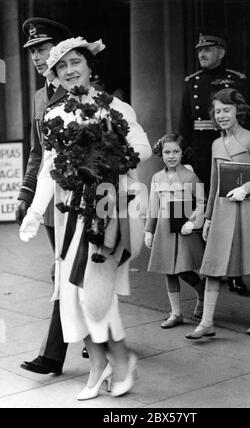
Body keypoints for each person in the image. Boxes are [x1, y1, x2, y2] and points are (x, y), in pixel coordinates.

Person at [19, 36, 152, 400]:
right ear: (56, 76)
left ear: (89, 67)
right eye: (61, 66)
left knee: (96, 296)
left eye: (75, 62)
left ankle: (121, 361)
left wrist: (105, 153)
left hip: (109, 212)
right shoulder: (54, 114)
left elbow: (142, 147)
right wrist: (33, 211)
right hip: (70, 215)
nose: (69, 70)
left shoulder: (117, 109)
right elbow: (48, 166)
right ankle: (99, 365)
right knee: (72, 295)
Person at [185, 88, 250, 340]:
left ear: (238, 111)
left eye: (226, 110)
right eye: (217, 111)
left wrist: (246, 188)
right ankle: (207, 321)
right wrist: (207, 217)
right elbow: (214, 183)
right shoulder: (216, 143)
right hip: (223, 211)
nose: (221, 115)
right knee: (213, 264)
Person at [15, 18, 79, 375]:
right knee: (68, 272)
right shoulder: (41, 96)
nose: (37, 57)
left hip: (79, 196)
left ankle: (53, 354)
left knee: (68, 271)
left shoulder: (78, 89)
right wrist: (26, 191)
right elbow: (37, 151)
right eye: (33, 52)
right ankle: (96, 338)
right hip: (49, 197)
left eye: (42, 49)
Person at [179, 31, 248, 295]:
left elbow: (245, 117)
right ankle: (212, 267)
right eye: (199, 51)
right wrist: (184, 152)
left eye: (208, 50)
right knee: (206, 209)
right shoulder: (191, 82)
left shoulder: (235, 80)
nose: (202, 55)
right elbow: (184, 120)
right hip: (200, 151)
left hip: (229, 149)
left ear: (221, 51)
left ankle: (235, 273)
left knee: (231, 209)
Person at [144, 134, 205, 327]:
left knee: (184, 269)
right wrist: (149, 230)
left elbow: (203, 203)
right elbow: (153, 206)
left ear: (182, 153)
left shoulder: (190, 176)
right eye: (167, 152)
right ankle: (176, 312)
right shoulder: (157, 177)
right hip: (164, 229)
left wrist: (193, 222)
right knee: (169, 271)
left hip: (183, 226)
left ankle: (202, 292)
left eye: (176, 151)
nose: (171, 156)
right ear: (161, 154)